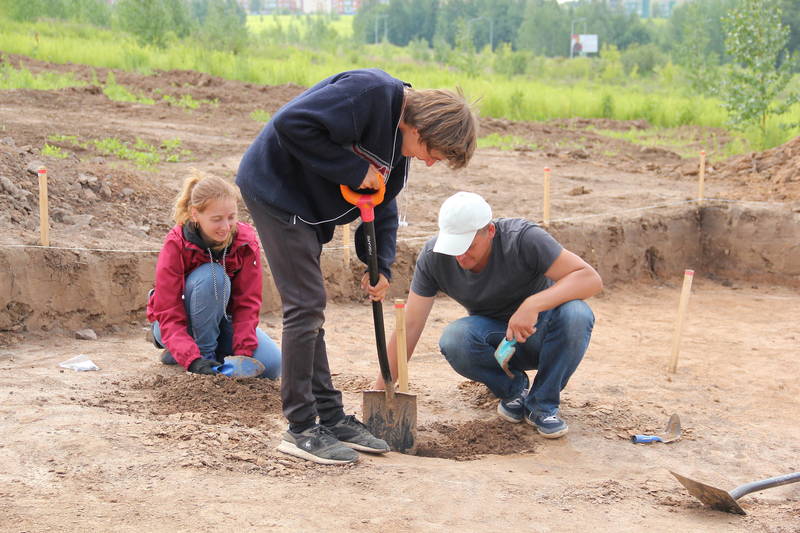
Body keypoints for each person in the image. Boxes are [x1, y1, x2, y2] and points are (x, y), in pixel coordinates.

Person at [236, 68, 477, 464]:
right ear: (422, 129)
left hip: (309, 210)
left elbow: (382, 200)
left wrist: (378, 263)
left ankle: (330, 417)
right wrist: (352, 170)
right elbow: (291, 123)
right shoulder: (371, 93)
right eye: (434, 154)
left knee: (310, 310)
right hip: (275, 190)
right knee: (306, 305)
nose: (431, 163)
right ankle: (299, 428)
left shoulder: (400, 147)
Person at [377, 191, 602, 439]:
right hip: (496, 343)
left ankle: (543, 405)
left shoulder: (523, 238)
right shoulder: (434, 257)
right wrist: (381, 390)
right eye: (454, 246)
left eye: (469, 246)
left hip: (543, 335)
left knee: (577, 314)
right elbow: (409, 326)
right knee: (455, 338)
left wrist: (533, 305)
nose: (460, 256)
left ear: (490, 231)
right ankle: (514, 391)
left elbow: (590, 278)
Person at [146, 172, 281, 380]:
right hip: (175, 323)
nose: (226, 227)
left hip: (221, 320)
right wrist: (195, 361)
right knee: (214, 275)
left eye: (231, 217)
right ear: (195, 215)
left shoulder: (245, 242)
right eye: (217, 219)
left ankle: (189, 354)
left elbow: (247, 304)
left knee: (271, 365)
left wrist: (242, 355)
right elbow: (168, 310)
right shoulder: (176, 242)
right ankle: (201, 355)